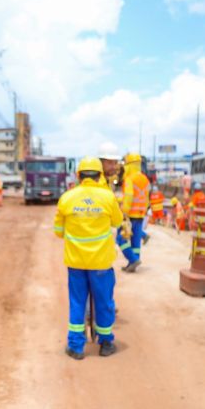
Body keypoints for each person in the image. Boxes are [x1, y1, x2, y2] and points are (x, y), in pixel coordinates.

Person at [54, 157, 123, 359]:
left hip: (76, 263)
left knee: (77, 302)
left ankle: (76, 347)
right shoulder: (107, 197)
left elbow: (58, 231)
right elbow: (117, 222)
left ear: (78, 176)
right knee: (104, 302)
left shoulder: (67, 198)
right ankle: (106, 343)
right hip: (101, 263)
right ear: (100, 175)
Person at [116, 153, 150, 272]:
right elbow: (146, 197)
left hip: (130, 215)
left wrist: (124, 212)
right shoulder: (145, 179)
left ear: (129, 165)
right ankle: (133, 262)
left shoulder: (129, 179)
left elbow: (129, 196)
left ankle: (132, 259)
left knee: (120, 239)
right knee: (136, 241)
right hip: (140, 214)